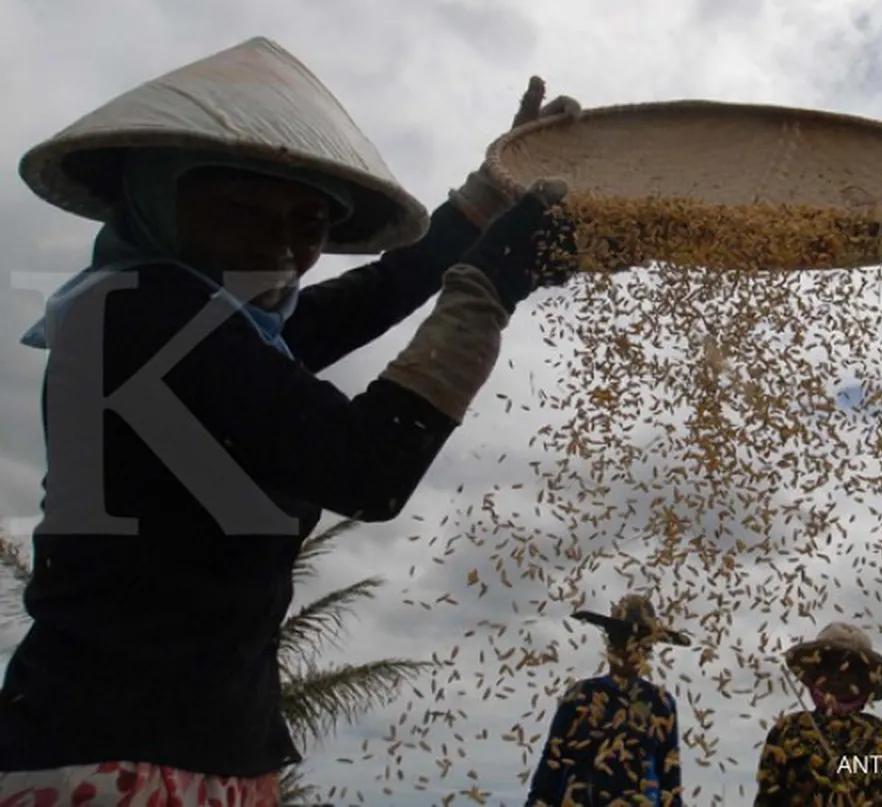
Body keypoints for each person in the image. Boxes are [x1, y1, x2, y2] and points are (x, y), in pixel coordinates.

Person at [0, 36, 583, 806]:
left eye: (308, 221)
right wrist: (489, 287)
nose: (281, 241)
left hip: (206, 753)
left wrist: (491, 193)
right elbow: (368, 467)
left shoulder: (211, 324)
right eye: (240, 204)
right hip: (116, 765)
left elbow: (382, 289)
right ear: (155, 193)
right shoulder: (142, 318)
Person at [525, 594, 691, 807]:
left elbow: (670, 784)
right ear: (609, 645)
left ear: (647, 651)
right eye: (620, 640)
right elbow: (549, 774)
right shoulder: (580, 697)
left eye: (640, 644)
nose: (628, 651)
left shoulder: (661, 704)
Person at [753, 622, 882, 805]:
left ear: (863, 679)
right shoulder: (788, 730)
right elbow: (768, 798)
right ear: (817, 672)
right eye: (830, 665)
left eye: (849, 668)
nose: (838, 675)